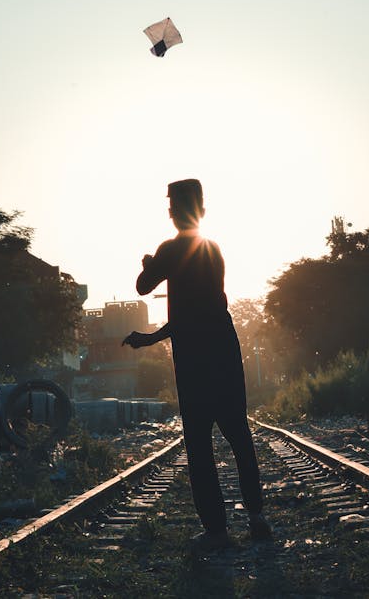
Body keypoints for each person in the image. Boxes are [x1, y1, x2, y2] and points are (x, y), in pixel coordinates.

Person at [122, 178, 272, 551]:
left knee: (200, 448)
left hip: (192, 361)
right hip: (223, 351)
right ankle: (256, 517)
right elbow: (204, 308)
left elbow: (143, 286)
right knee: (239, 436)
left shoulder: (170, 250)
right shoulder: (213, 249)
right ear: (202, 211)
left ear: (174, 213)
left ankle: (217, 530)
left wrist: (150, 266)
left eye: (173, 207)